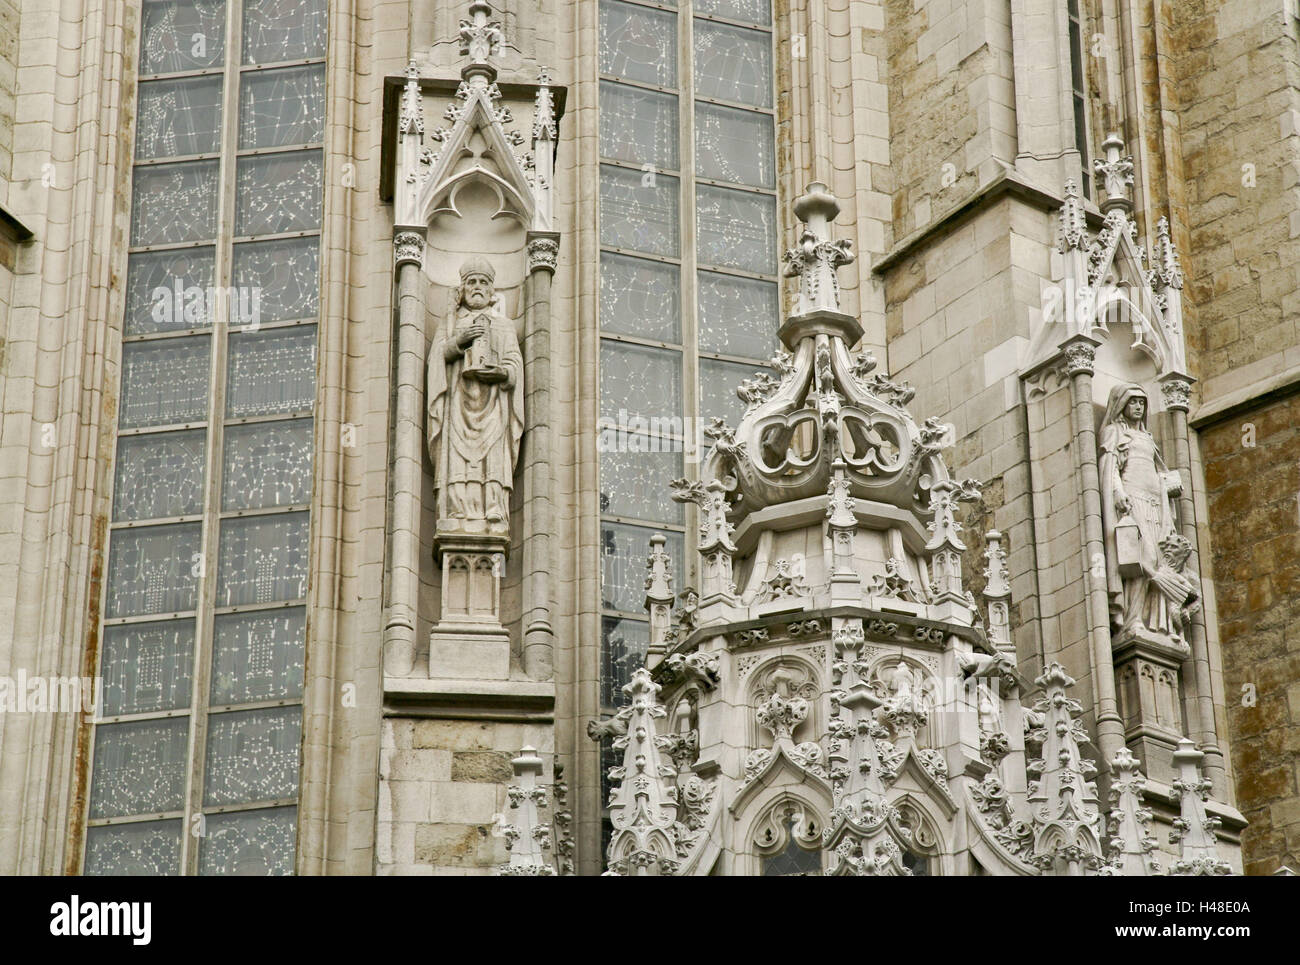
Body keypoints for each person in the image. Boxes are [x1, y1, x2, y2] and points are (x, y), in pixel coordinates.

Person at [426, 257, 524, 532]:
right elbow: (437, 359)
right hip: (457, 405)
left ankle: (493, 510)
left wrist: (503, 373)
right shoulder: (450, 325)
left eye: (483, 282)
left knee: (492, 458)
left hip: (493, 407)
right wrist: (460, 339)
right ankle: (456, 510)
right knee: (456, 457)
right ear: (462, 289)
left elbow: (515, 363)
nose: (477, 287)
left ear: (492, 291)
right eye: (471, 282)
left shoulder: (504, 326)